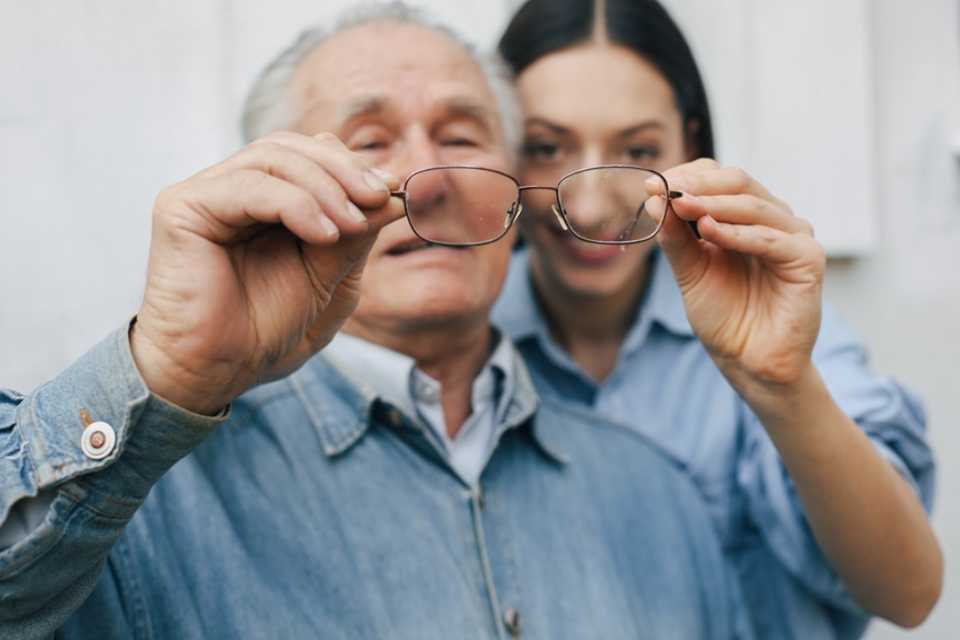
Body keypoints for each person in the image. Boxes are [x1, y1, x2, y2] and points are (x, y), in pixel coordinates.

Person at [0, 5, 751, 639]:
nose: (423, 185)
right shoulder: (135, 498)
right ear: (273, 189)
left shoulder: (660, 499)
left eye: (461, 138)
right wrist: (160, 371)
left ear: (520, 195)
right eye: (368, 144)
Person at [491, 0, 942, 637]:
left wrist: (781, 386)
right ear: (496, 149)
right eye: (544, 147)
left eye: (638, 147)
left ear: (691, 147)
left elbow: (909, 592)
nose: (590, 205)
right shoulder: (460, 333)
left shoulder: (767, 320)